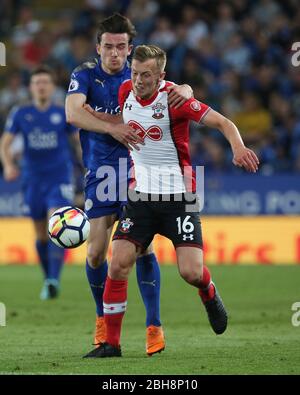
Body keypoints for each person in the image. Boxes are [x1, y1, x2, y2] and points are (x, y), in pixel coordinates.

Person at [85, 44, 259, 357]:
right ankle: (111, 344)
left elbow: (224, 123)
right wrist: (90, 116)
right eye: (136, 73)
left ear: (161, 76)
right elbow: (113, 116)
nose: (138, 81)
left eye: (146, 75)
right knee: (119, 261)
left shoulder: (176, 100)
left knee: (191, 272)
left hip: (179, 199)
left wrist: (237, 147)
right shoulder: (125, 90)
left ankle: (208, 291)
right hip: (140, 198)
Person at [65, 13, 193, 358]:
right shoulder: (84, 75)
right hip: (100, 173)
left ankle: (154, 326)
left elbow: (175, 91)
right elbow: (74, 114)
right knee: (94, 253)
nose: (115, 53)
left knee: (142, 249)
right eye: (109, 46)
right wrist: (112, 127)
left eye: (121, 46)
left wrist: (186, 88)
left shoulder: (137, 74)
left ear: (130, 48)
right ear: (99, 47)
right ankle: (102, 320)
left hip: (139, 172)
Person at [0, 65, 79, 300]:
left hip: (59, 177)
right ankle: (49, 279)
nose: (41, 86)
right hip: (32, 179)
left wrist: (88, 164)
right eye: (37, 83)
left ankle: (54, 278)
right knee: (40, 234)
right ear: (31, 87)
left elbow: (78, 141)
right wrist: (8, 165)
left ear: (52, 87)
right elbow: (5, 143)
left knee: (56, 224)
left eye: (45, 82)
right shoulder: (21, 113)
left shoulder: (62, 112)